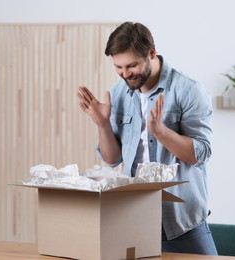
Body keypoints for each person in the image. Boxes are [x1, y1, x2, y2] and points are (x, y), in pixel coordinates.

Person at [77, 21, 217, 255]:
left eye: (132, 65)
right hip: (133, 216)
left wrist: (161, 132)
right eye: (118, 67)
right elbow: (112, 159)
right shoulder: (121, 91)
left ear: (151, 52)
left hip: (180, 220)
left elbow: (200, 154)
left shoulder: (188, 90)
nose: (125, 74)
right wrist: (102, 124)